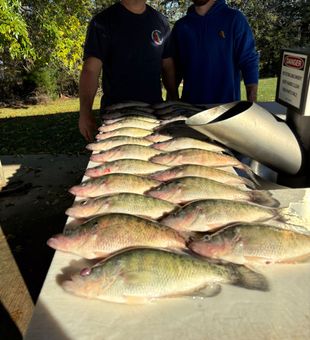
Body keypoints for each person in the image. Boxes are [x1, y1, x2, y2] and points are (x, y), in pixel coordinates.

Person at [79, 0, 178, 141]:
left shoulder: (160, 22)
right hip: (116, 118)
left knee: (154, 161)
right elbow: (90, 70)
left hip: (154, 115)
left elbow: (168, 65)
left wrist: (173, 97)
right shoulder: (102, 22)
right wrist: (85, 112)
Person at [168, 0, 259, 105]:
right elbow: (172, 71)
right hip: (190, 111)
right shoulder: (181, 26)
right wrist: (172, 105)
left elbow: (249, 62)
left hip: (227, 110)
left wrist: (252, 106)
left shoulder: (234, 19)